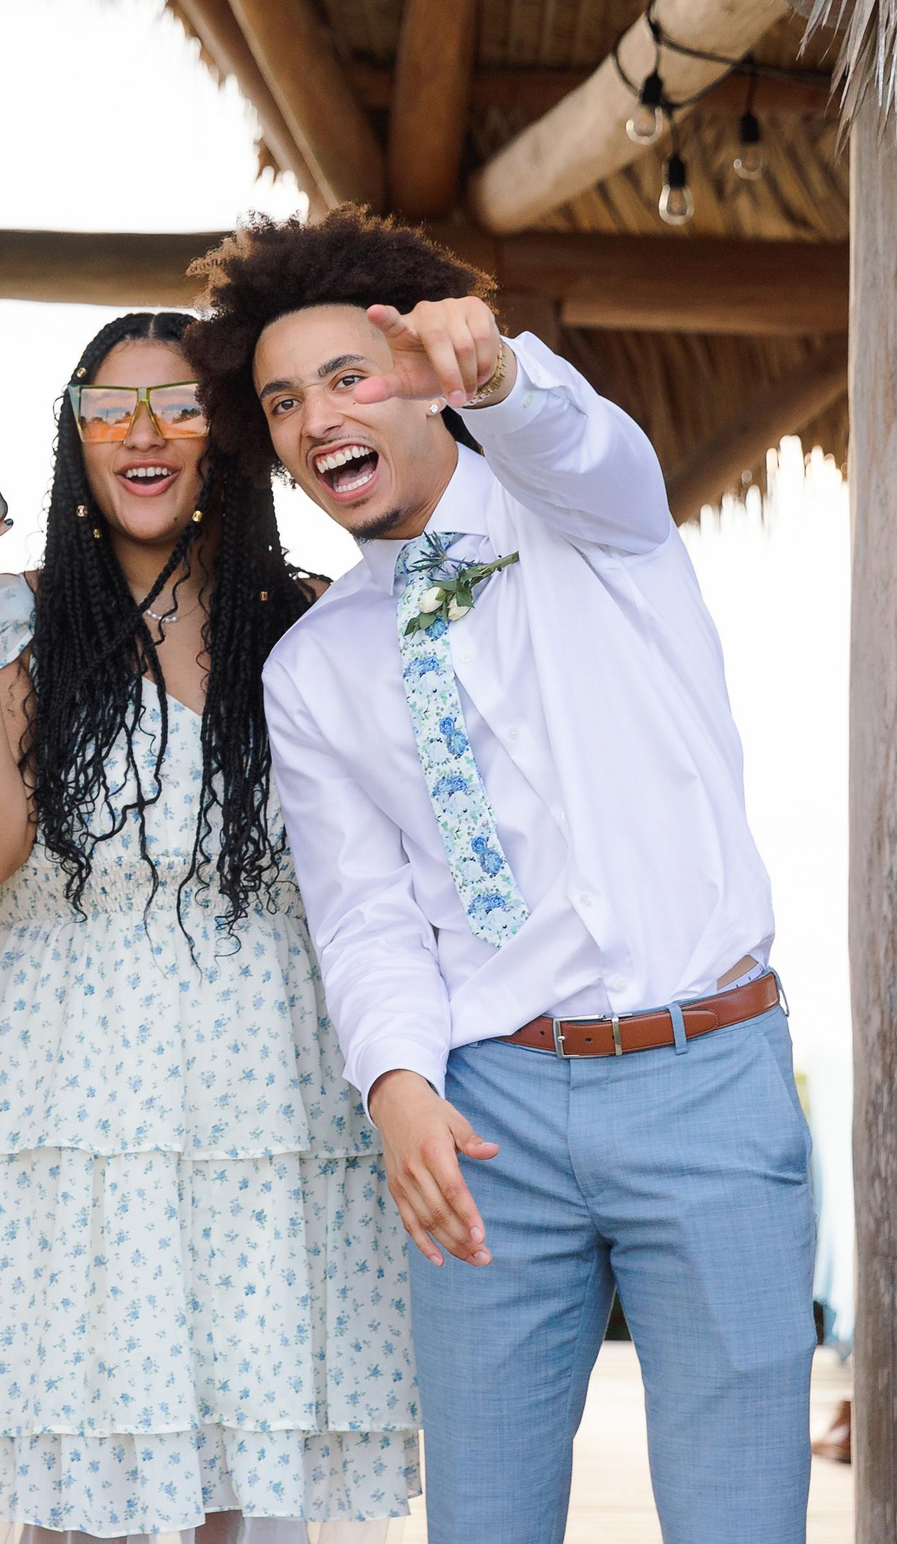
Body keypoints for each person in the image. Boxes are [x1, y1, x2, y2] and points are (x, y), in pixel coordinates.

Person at [193, 210, 815, 1542]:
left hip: (709, 1078)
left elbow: (578, 440)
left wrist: (501, 379)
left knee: (740, 1520)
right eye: (283, 399)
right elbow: (365, 912)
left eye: (349, 375)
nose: (317, 419)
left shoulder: (592, 517)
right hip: (492, 1111)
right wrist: (400, 1082)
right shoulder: (311, 671)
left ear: (423, 368)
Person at [0, 314, 421, 1544]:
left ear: (226, 434)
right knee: (68, 1478)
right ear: (74, 433)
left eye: (179, 406)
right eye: (110, 408)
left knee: (234, 1477)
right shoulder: (11, 623)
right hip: (64, 1086)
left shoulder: (315, 620)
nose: (145, 434)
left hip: (263, 1095)